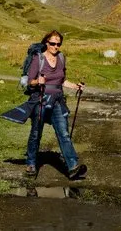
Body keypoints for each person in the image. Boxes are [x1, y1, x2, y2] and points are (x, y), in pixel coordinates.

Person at [25, 30, 86, 179]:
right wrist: (37, 81)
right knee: (36, 133)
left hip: (58, 101)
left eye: (58, 44)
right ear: (46, 43)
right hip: (40, 100)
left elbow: (62, 80)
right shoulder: (38, 58)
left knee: (64, 133)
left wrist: (75, 86)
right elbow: (29, 81)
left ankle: (72, 166)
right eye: (52, 43)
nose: (56, 46)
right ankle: (31, 164)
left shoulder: (61, 58)